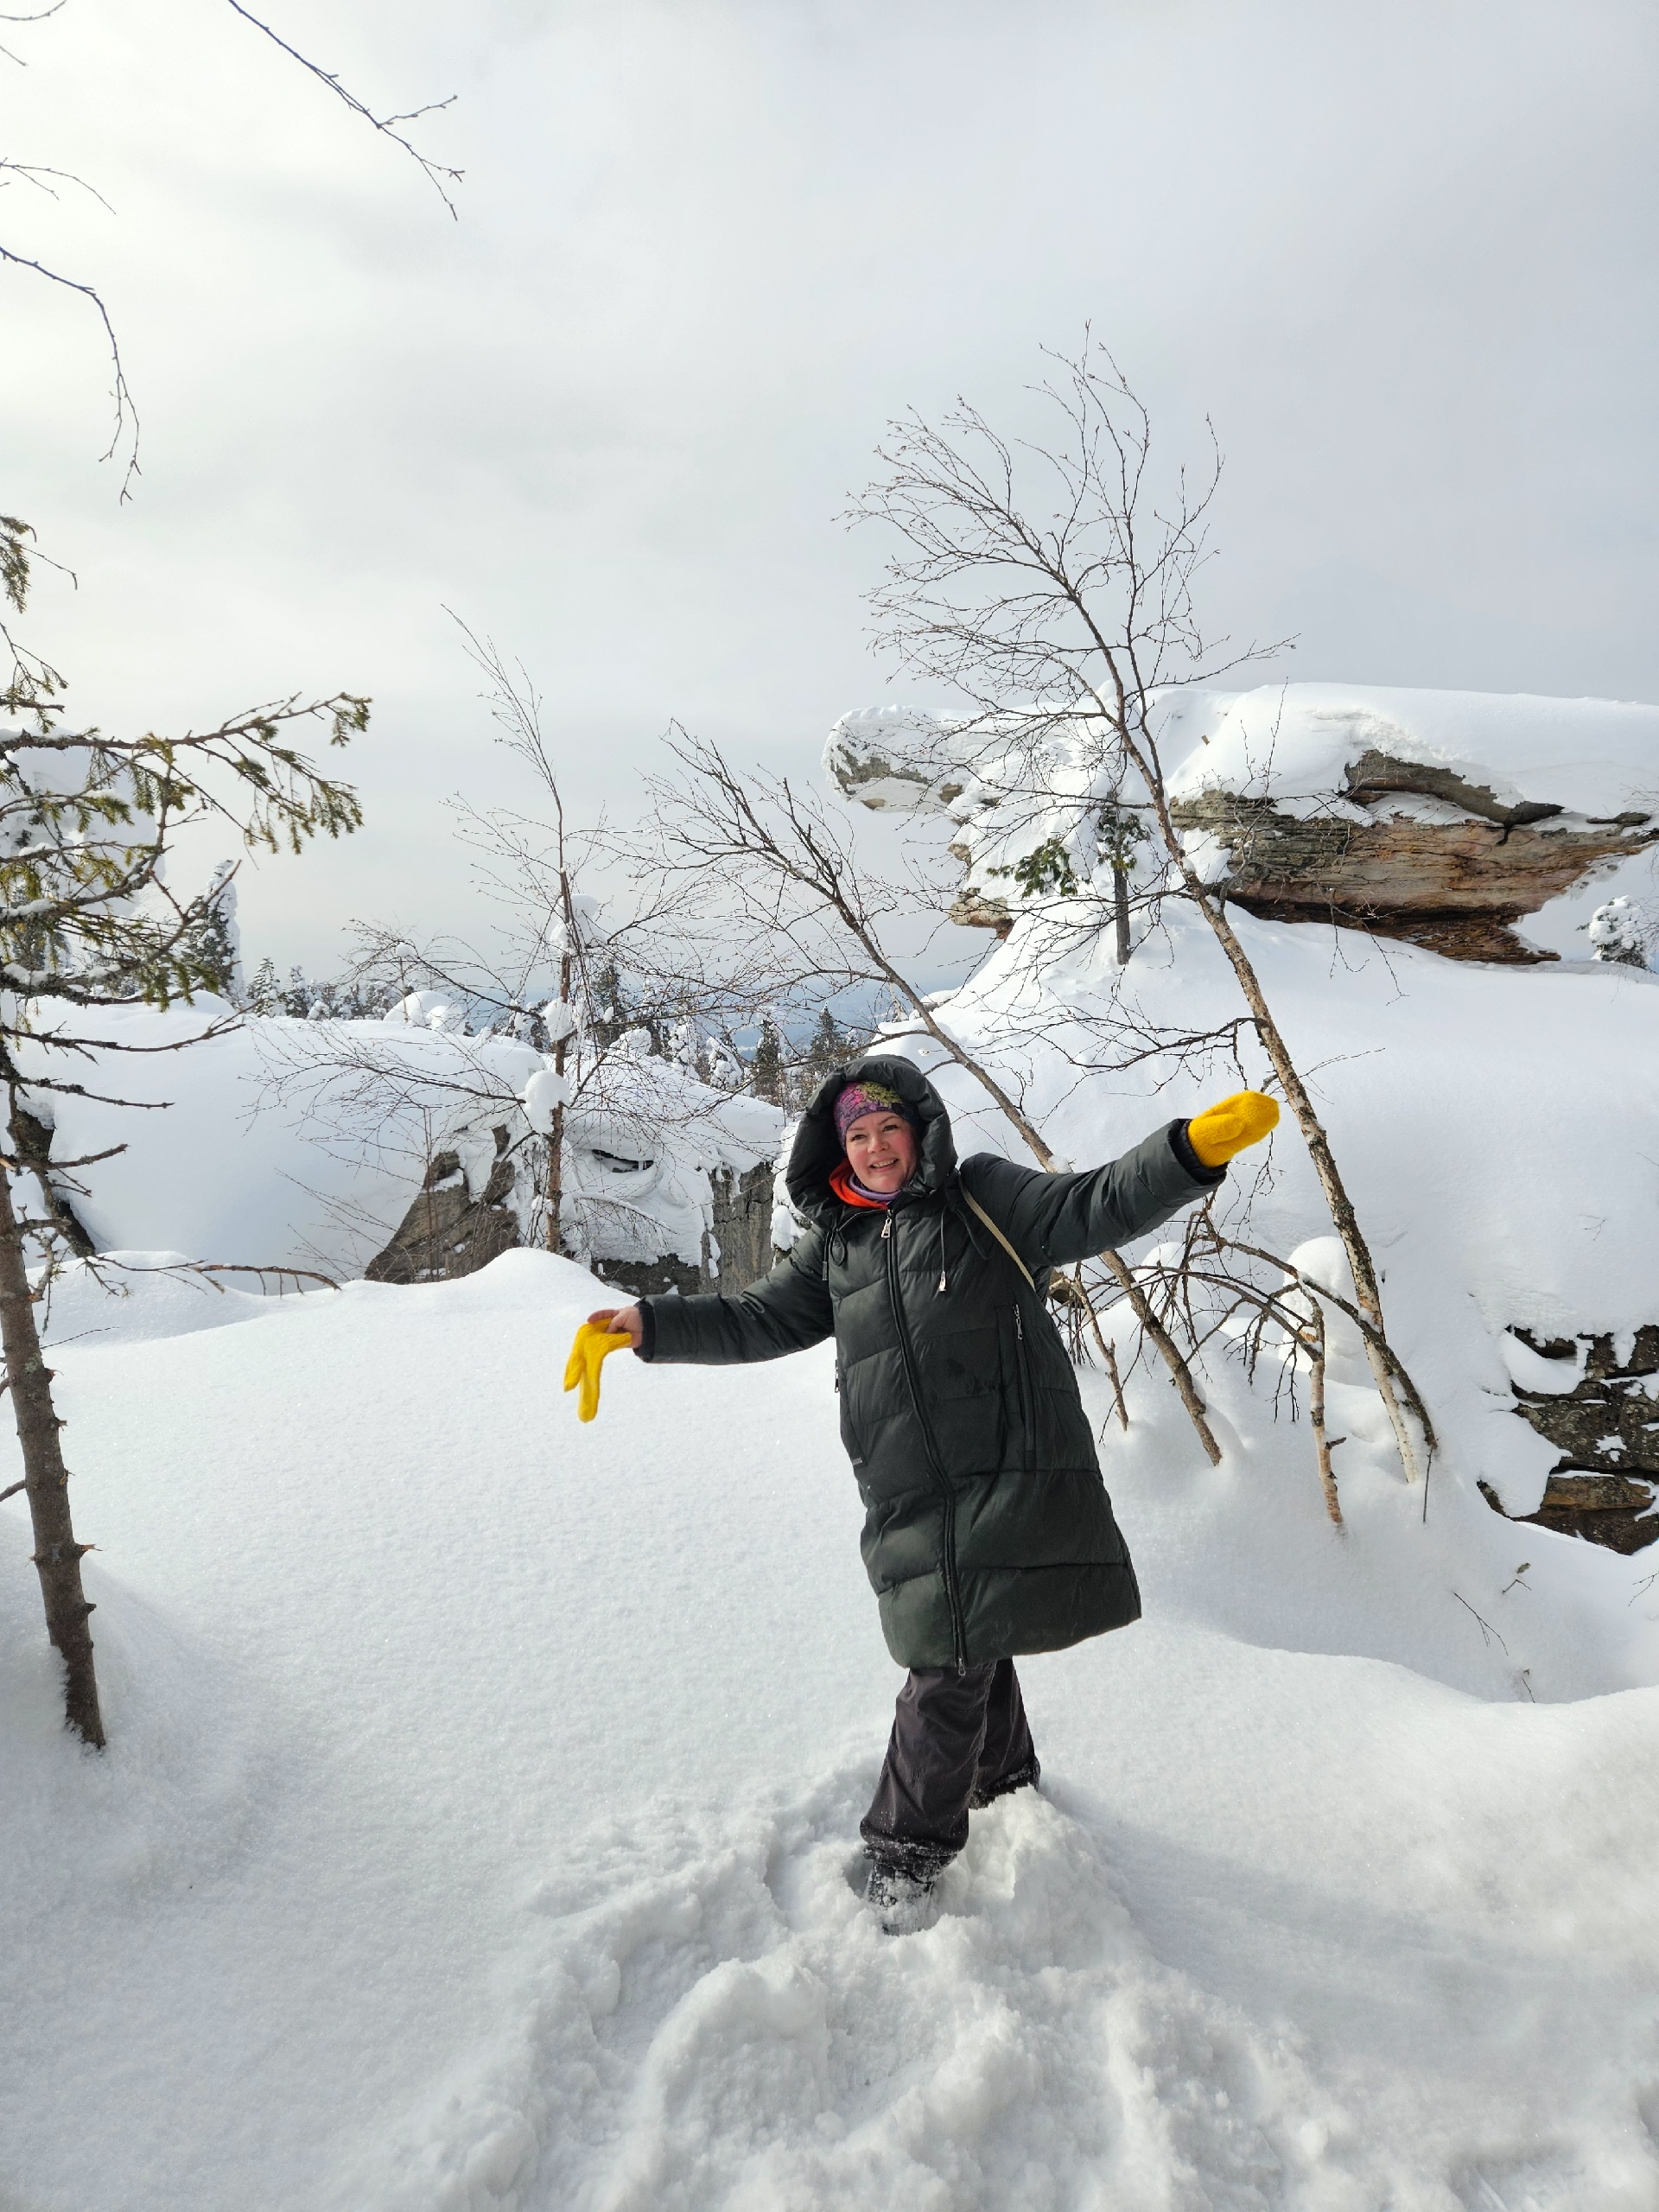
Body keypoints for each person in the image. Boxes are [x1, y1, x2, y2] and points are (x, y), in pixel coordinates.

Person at [585, 1053, 1276, 1929]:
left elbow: (1091, 1203)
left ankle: (905, 1855)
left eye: (889, 1131)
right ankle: (1004, 1776)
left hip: (1002, 1467)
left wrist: (1186, 1153)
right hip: (909, 1489)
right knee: (967, 1635)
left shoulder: (981, 1198)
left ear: (920, 1132)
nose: (876, 1149)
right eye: (859, 1136)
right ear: (838, 1150)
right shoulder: (837, 1244)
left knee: (943, 1657)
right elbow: (757, 1318)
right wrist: (649, 1323)